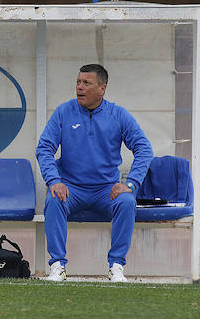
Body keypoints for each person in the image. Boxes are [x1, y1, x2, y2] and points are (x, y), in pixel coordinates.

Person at [36, 64, 153, 283]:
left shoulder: (118, 114)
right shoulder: (63, 112)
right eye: (78, 82)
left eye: (86, 83)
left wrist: (131, 184)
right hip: (70, 188)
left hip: (106, 190)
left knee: (127, 202)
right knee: (53, 200)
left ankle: (116, 266)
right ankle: (57, 266)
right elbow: (44, 148)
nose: (79, 87)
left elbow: (144, 149)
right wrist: (54, 180)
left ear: (102, 88)